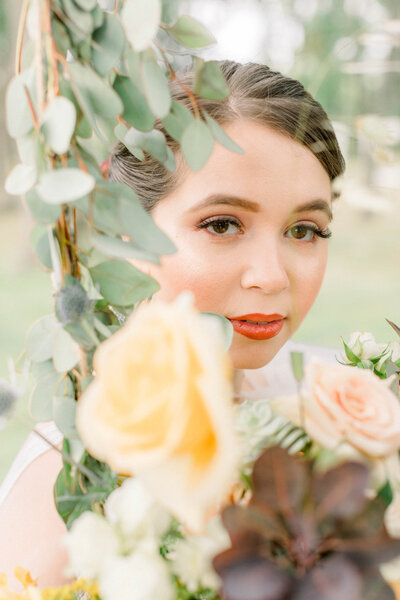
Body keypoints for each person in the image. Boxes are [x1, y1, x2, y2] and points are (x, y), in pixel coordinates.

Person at [0, 60, 345, 587]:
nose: (272, 278)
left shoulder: (337, 409)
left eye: (305, 230)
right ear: (123, 230)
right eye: (223, 224)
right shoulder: (67, 499)